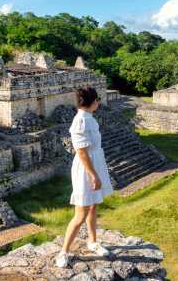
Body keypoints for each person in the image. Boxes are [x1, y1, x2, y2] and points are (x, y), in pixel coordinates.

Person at [55, 86, 114, 268]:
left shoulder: (89, 118)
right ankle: (63, 251)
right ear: (94, 101)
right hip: (86, 169)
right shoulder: (80, 120)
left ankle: (92, 241)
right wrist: (93, 175)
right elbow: (81, 152)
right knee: (80, 213)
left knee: (93, 205)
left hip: (95, 163)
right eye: (98, 100)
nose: (98, 104)